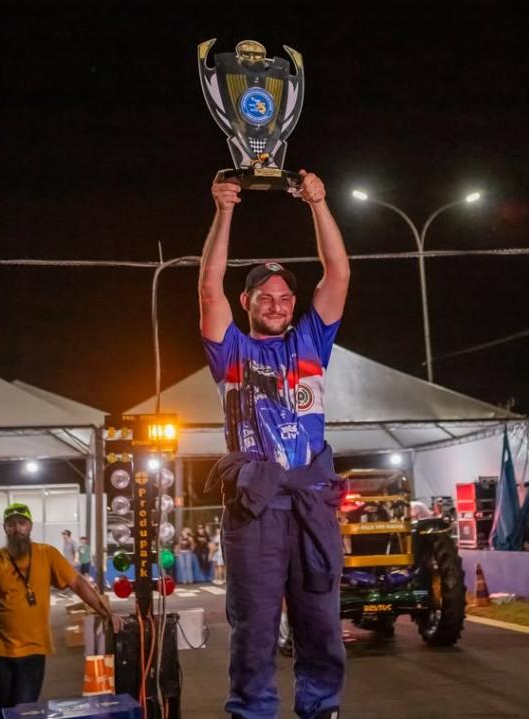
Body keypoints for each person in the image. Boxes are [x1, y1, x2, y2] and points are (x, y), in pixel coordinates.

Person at [199, 170, 350, 719]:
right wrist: (224, 210)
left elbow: (338, 272)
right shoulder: (230, 351)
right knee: (254, 628)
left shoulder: (311, 341)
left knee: (321, 624)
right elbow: (208, 287)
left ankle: (321, 709)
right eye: (266, 296)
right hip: (254, 509)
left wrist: (318, 203)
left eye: (285, 297)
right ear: (247, 301)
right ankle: (252, 711)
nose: (278, 304)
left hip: (310, 505)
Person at [0, 503, 124, 708]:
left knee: (25, 709)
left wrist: (106, 613)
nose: (17, 529)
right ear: (5, 529)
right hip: (0, 653)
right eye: (11, 524)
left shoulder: (47, 555)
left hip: (33, 651)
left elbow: (77, 583)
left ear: (30, 526)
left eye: (22, 523)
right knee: (5, 709)